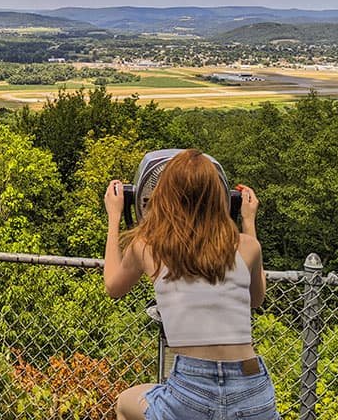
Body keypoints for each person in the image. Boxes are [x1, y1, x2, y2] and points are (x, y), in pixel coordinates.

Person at [103, 149, 279, 420]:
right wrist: (248, 221)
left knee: (126, 403)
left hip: (189, 392)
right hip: (252, 386)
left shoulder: (148, 247)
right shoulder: (248, 247)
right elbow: (256, 298)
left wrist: (114, 216)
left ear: (165, 196)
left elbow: (113, 286)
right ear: (219, 197)